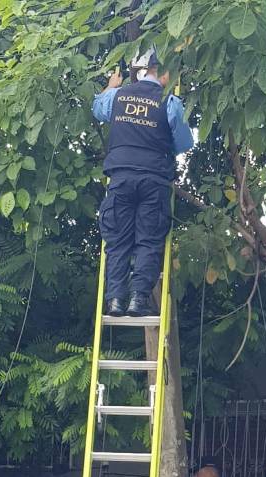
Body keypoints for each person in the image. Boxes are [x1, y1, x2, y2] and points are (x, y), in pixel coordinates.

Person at [92, 47, 193, 318]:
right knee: (148, 241)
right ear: (164, 73)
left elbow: (98, 109)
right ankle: (138, 300)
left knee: (118, 241)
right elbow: (184, 143)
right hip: (154, 180)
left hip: (120, 179)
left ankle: (115, 301)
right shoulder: (170, 101)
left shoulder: (117, 96)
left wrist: (109, 86)